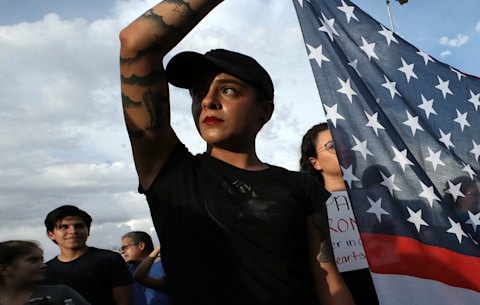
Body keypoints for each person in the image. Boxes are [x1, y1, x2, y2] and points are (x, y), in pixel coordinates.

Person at [119, 0, 354, 304]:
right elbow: (136, 42)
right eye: (198, 91)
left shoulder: (300, 186)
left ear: (264, 112)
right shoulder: (168, 170)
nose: (208, 101)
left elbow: (329, 282)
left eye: (228, 90)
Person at [300, 123, 379, 305]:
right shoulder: (307, 210)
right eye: (333, 146)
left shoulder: (381, 201)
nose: (344, 149)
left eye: (346, 143)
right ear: (315, 162)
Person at [42, 205, 132, 305]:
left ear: (88, 230)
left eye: (78, 226)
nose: (73, 231)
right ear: (51, 234)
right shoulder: (45, 270)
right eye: (64, 227)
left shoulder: (110, 260)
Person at [0, 240, 90, 305]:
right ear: (4, 269)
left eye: (42, 260)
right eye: (33, 260)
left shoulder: (61, 294)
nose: (43, 265)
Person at [120, 232, 169, 305]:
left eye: (125, 247)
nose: (122, 252)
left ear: (141, 246)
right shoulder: (126, 269)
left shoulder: (165, 264)